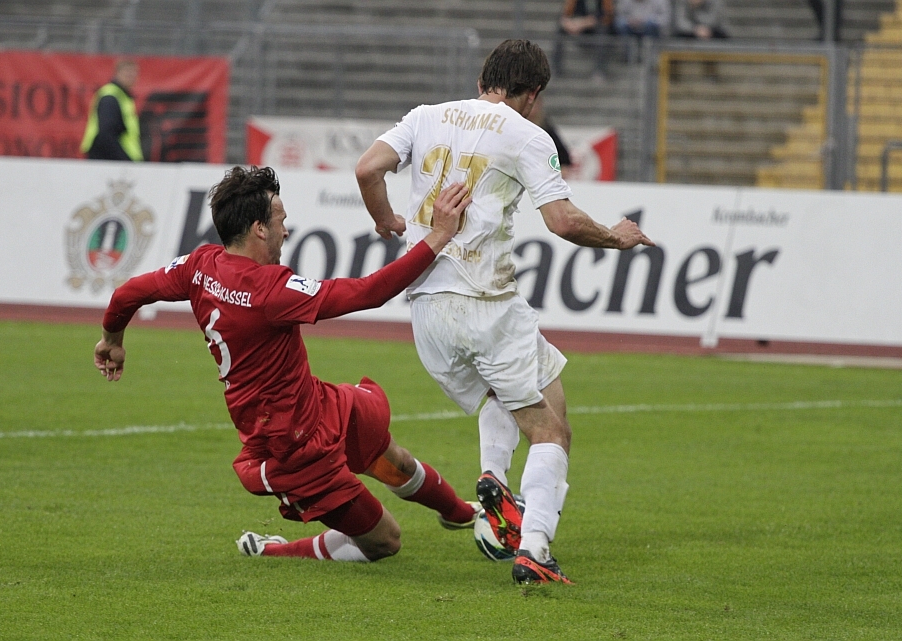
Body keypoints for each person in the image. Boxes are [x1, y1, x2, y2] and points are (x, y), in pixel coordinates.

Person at [355, 39, 654, 584]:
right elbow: (562, 221)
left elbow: (367, 168)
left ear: (481, 82)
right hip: (485, 304)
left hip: (426, 310)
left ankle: (495, 479)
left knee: (534, 380)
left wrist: (385, 220)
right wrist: (616, 237)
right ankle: (535, 549)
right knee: (550, 432)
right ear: (533, 94)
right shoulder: (527, 135)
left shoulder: (425, 116)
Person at [94, 166, 479, 563]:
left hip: (316, 405)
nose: (287, 231)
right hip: (290, 448)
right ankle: (273, 549)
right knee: (385, 541)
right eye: (281, 221)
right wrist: (440, 235)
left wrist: (112, 340)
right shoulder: (270, 292)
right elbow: (370, 292)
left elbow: (129, 293)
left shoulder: (201, 265)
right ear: (259, 229)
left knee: (390, 456)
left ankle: (466, 515)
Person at [80, 59, 144, 161]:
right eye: (127, 72)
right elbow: (106, 134)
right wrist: (124, 160)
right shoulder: (110, 96)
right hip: (108, 160)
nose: (131, 76)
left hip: (115, 160)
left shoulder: (123, 96)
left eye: (134, 73)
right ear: (117, 73)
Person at [552, 0, 614, 81]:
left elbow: (607, 17)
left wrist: (584, 23)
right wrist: (569, 24)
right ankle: (556, 68)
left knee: (603, 33)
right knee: (560, 30)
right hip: (579, 26)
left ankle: (599, 70)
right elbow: (564, 16)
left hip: (596, 27)